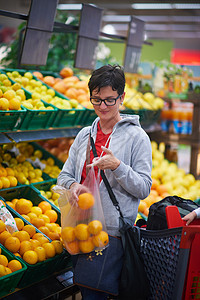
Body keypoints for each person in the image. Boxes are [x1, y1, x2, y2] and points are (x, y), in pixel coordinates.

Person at [57, 64, 152, 299]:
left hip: (110, 234)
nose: (102, 107)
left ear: (122, 97)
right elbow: (64, 175)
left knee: (94, 293)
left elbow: (144, 188)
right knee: (86, 290)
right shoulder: (84, 135)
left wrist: (118, 167)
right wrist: (72, 186)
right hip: (79, 230)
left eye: (110, 100)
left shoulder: (137, 137)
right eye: (96, 100)